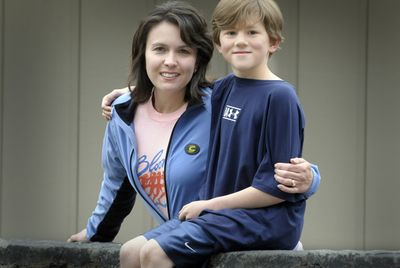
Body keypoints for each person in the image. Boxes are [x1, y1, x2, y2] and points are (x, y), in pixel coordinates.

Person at [69, 1, 319, 265]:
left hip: (239, 218)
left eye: (183, 51)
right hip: (206, 219)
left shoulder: (216, 101)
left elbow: (281, 165)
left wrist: (310, 177)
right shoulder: (124, 116)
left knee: (154, 254)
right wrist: (131, 94)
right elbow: (115, 182)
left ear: (198, 58)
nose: (170, 61)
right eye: (159, 49)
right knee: (130, 252)